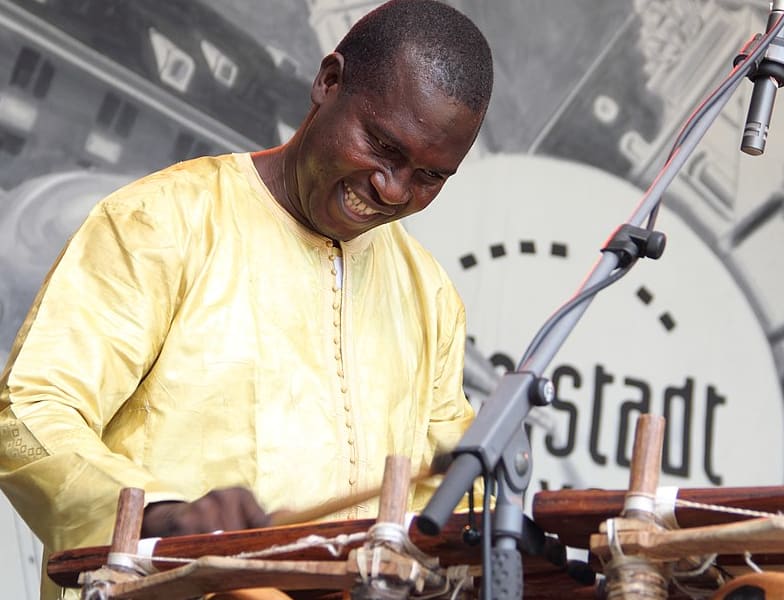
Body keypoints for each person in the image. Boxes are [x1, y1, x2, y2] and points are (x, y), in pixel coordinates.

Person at [0, 1, 493, 598]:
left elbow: (448, 495)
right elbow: (28, 415)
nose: (393, 190)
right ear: (328, 82)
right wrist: (158, 518)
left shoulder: (430, 299)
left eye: (430, 176)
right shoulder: (160, 221)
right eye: (382, 147)